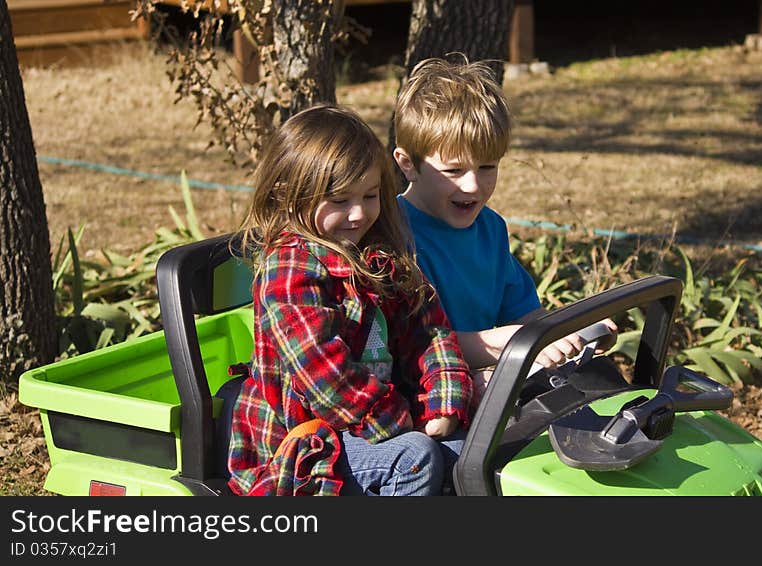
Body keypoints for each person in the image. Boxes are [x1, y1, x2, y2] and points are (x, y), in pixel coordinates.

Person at [227, 104, 473, 496]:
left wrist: (444, 400)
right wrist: (399, 419)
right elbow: (324, 375)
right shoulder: (288, 271)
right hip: (308, 442)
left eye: (370, 195)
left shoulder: (376, 255)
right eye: (340, 200)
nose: (359, 214)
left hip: (374, 423)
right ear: (288, 195)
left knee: (467, 451)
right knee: (415, 459)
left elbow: (429, 330)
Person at [392, 55, 617, 399]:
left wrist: (569, 331)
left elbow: (526, 314)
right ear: (408, 165)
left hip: (483, 376)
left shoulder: (490, 228)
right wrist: (506, 343)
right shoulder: (392, 235)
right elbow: (411, 346)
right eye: (453, 171)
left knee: (602, 388)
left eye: (487, 167)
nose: (472, 186)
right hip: (423, 391)